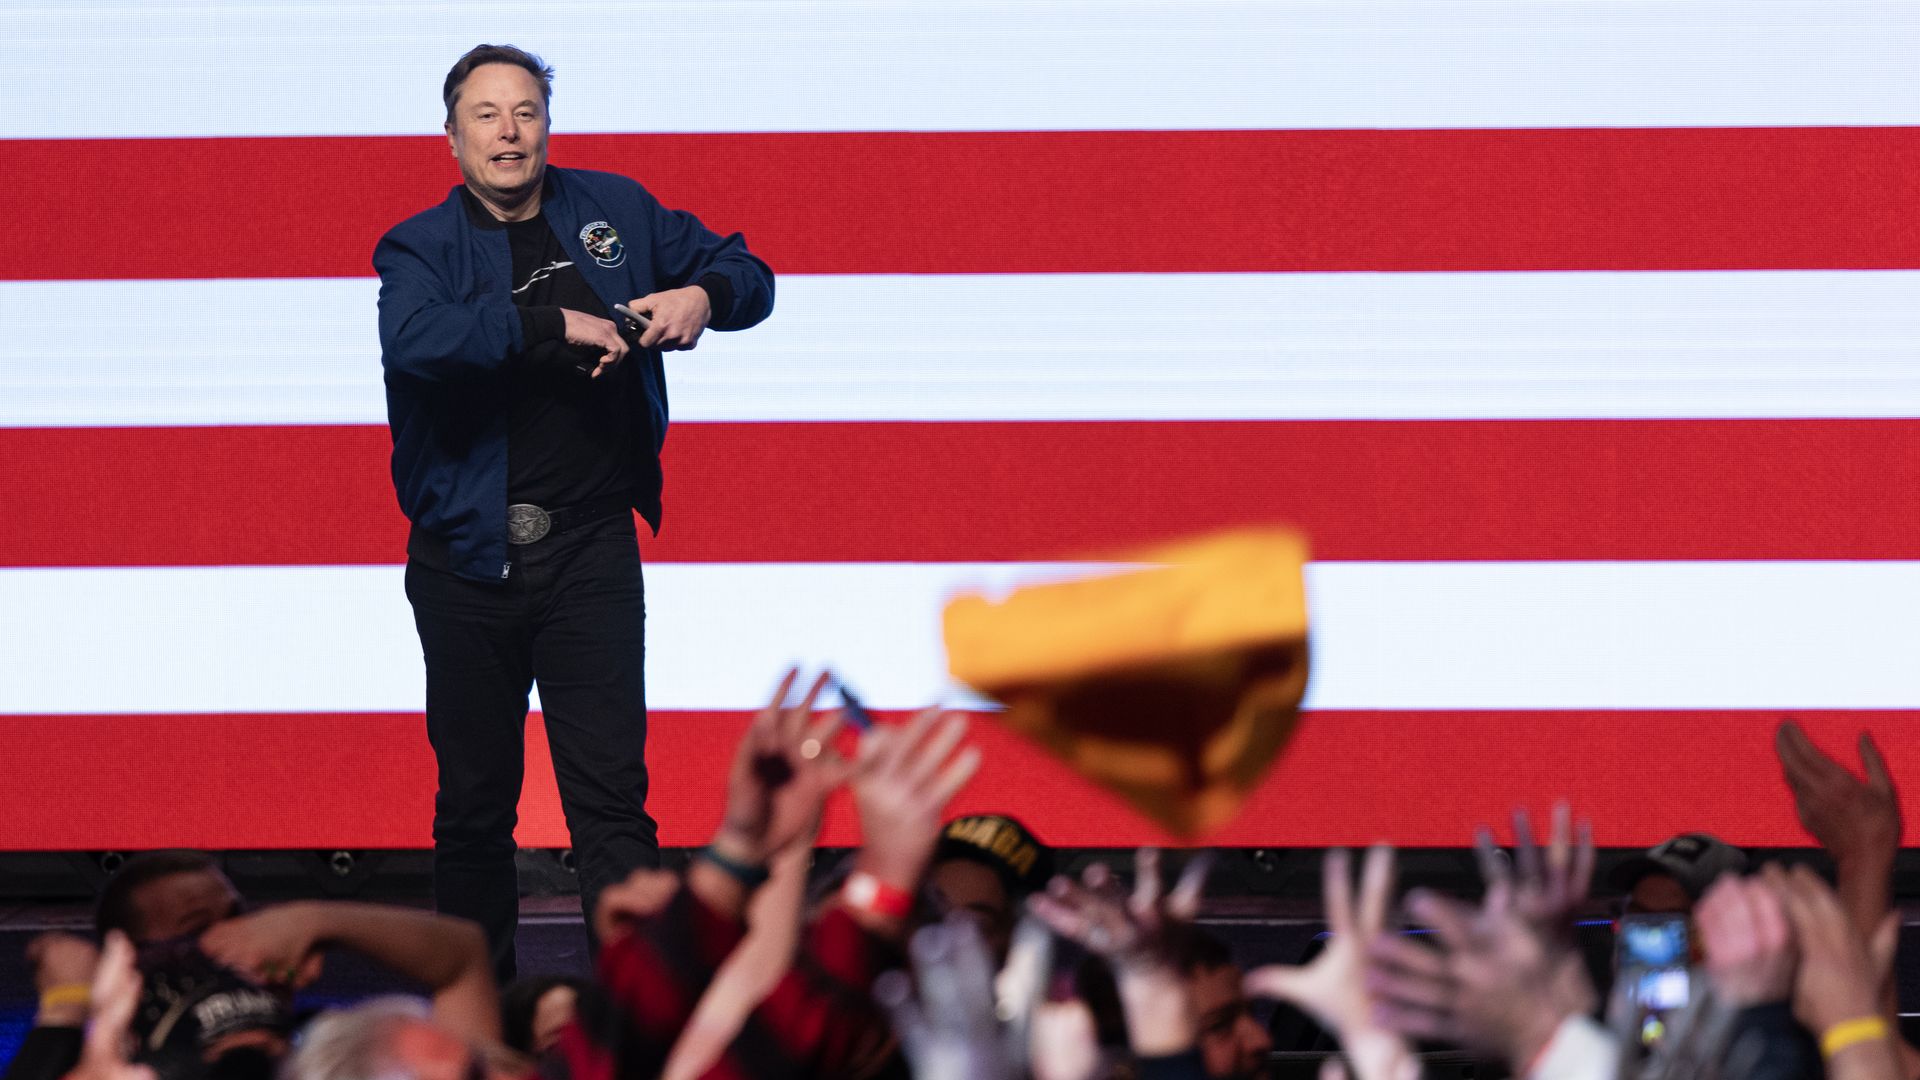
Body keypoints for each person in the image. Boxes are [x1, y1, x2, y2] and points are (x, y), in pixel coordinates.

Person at [373, 42, 775, 980]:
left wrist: (703, 294)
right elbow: (417, 340)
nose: (509, 133)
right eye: (486, 116)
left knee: (612, 804)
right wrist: (553, 322)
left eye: (526, 112)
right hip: (467, 560)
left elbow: (749, 274)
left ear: (548, 125)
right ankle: (477, 1011)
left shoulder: (616, 210)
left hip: (591, 550)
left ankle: (637, 1009)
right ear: (452, 138)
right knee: (474, 807)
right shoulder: (419, 245)